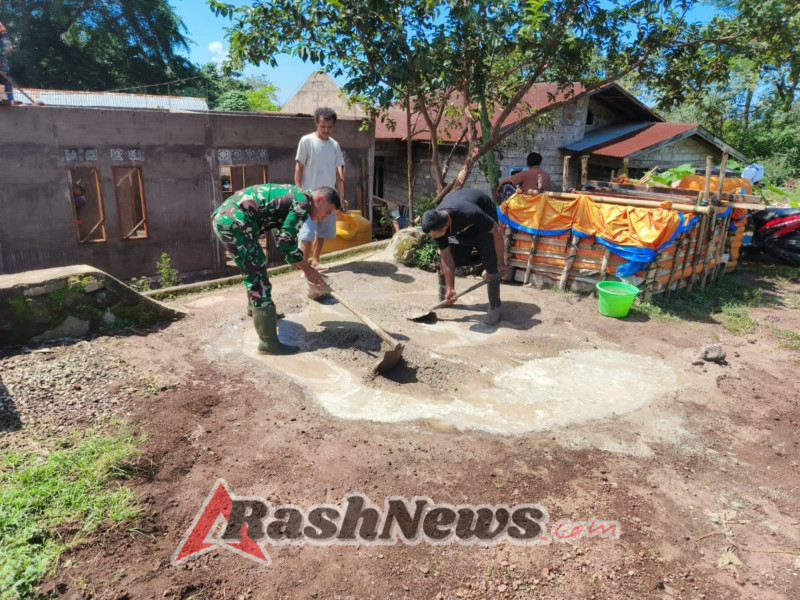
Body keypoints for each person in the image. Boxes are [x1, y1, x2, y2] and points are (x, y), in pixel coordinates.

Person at [212, 183, 341, 355]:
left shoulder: (298, 196)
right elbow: (286, 241)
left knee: (254, 265)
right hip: (235, 221)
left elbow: (283, 236)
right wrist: (307, 269)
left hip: (230, 218)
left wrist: (297, 262)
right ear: (319, 200)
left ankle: (254, 307)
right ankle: (268, 343)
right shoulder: (303, 204)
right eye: (328, 212)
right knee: (257, 276)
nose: (326, 217)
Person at [421, 189, 509, 326]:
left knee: (490, 261)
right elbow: (446, 257)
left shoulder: (469, 213)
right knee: (454, 257)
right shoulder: (436, 223)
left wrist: (500, 263)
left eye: (433, 235)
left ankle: (495, 307)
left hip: (483, 220)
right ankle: (446, 293)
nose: (432, 238)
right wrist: (450, 287)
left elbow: (497, 231)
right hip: (461, 226)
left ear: (444, 228)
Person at [295, 107, 346, 270]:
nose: (326, 130)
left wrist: (341, 196)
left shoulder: (334, 145)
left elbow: (338, 173)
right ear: (316, 123)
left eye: (330, 127)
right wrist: (299, 191)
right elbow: (299, 167)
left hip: (329, 198)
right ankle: (304, 268)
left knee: (323, 232)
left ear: (334, 126)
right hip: (310, 197)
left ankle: (315, 262)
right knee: (307, 233)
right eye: (323, 126)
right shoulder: (306, 141)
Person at [0, 21, 13, 103]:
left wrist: (8, 46)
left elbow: (4, 35)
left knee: (5, 77)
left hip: (1, 62)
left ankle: (8, 98)